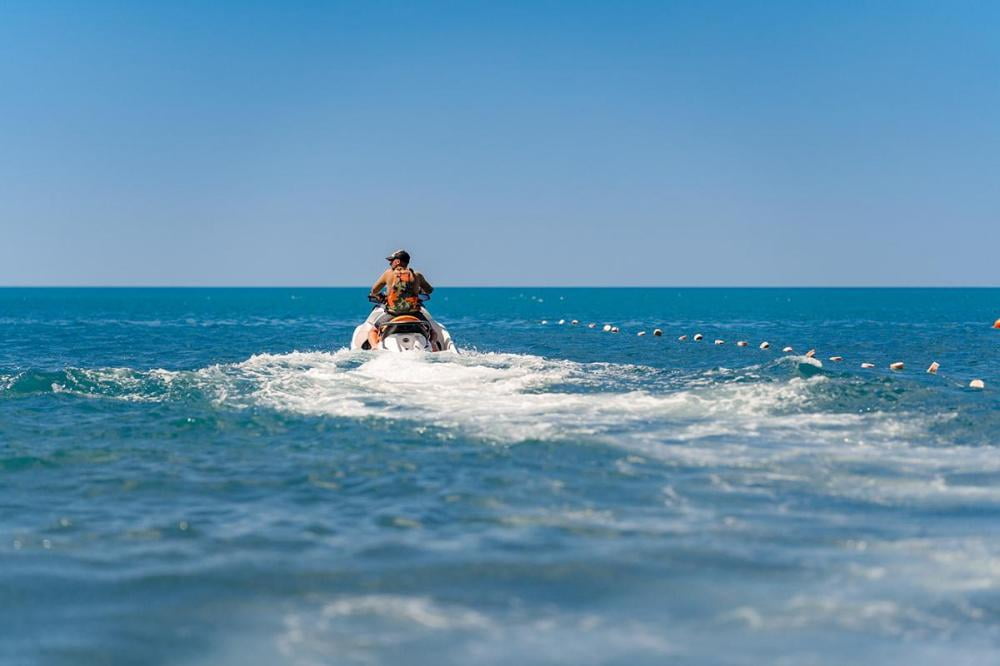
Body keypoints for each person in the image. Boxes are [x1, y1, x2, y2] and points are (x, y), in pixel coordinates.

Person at [367, 250, 434, 348]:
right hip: (414, 314)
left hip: (393, 314)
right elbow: (429, 290)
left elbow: (374, 290)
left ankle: (374, 348)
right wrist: (418, 290)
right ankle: (434, 348)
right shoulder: (417, 275)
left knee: (373, 330)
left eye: (391, 260)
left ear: (397, 262)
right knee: (433, 332)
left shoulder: (388, 274)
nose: (390, 263)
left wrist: (379, 296)